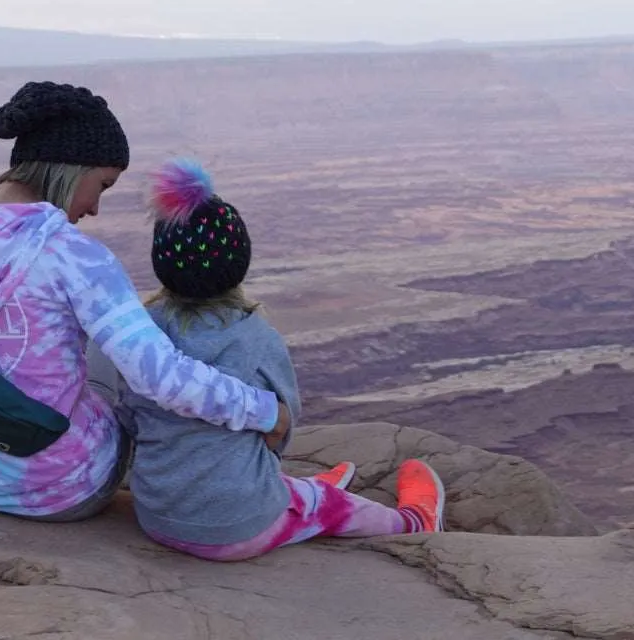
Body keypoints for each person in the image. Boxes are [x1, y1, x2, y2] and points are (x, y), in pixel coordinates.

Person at [0, 82, 290, 521]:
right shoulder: (76, 256)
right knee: (110, 347)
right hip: (61, 490)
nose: (95, 207)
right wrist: (268, 412)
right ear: (71, 169)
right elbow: (161, 380)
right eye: (101, 184)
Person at [121, 158, 447, 560]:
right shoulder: (254, 337)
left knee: (265, 479)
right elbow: (280, 428)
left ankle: (284, 490)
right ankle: (413, 523)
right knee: (328, 506)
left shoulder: (139, 334)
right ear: (238, 263)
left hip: (158, 518)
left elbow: (129, 416)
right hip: (238, 527)